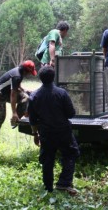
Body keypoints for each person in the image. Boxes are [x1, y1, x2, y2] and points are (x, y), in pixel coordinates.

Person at [28, 66, 80, 195]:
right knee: (70, 154)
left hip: (46, 132)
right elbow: (70, 114)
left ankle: (48, 187)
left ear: (40, 79)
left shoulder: (34, 96)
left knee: (47, 158)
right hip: (63, 131)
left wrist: (35, 134)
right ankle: (64, 183)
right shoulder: (62, 93)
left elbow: (33, 120)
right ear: (53, 77)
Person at [0, 60, 37, 156]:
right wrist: (14, 112)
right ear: (26, 71)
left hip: (5, 93)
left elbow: (16, 87)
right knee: (0, 118)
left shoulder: (19, 73)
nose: (29, 75)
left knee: (26, 97)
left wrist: (25, 90)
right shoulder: (17, 75)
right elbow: (13, 94)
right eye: (29, 73)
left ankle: (15, 120)